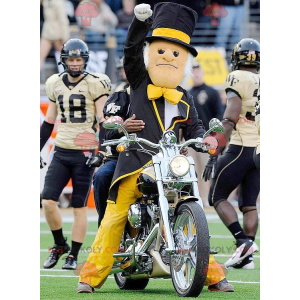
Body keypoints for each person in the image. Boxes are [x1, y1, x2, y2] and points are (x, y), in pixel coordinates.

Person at [77, 3, 233, 293]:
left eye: (176, 53)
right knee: (114, 217)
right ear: (151, 53)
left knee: (194, 212)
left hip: (173, 164)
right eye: (162, 50)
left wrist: (206, 138)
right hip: (135, 162)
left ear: (183, 58)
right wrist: (139, 23)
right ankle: (89, 277)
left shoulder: (184, 97)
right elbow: (131, 51)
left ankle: (212, 274)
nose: (169, 57)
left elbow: (195, 126)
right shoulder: (138, 81)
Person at [40, 39, 111, 270]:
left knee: (78, 206)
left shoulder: (95, 83)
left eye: (79, 59)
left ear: (85, 60)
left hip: (85, 152)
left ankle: (74, 255)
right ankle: (60, 244)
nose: (75, 63)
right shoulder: (54, 83)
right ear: (64, 60)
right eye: (71, 59)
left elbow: (103, 121)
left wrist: (101, 150)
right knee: (48, 201)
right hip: (61, 150)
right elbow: (49, 121)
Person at [202, 38, 260, 269]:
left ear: (237, 58)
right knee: (249, 203)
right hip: (261, 147)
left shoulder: (238, 77)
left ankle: (242, 241)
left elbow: (231, 116)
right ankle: (247, 257)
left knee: (216, 196)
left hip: (241, 145)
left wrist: (216, 148)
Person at [90, 87, 145, 227]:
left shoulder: (167, 96)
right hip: (121, 157)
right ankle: (104, 225)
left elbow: (185, 125)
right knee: (102, 175)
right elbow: (107, 133)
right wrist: (121, 128)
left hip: (154, 156)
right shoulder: (119, 98)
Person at [188, 61, 224, 205]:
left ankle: (207, 199)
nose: (196, 73)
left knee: (206, 171)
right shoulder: (187, 93)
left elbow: (219, 115)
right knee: (190, 171)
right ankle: (195, 199)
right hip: (190, 140)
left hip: (207, 138)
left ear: (202, 72)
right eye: (193, 71)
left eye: (197, 70)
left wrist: (215, 137)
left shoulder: (212, 92)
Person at [40, 0, 70, 71]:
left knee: (64, 58)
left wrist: (65, 36)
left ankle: (71, 77)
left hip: (58, 33)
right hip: (47, 32)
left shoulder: (59, 2)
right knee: (40, 55)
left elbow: (63, 19)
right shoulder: (46, 2)